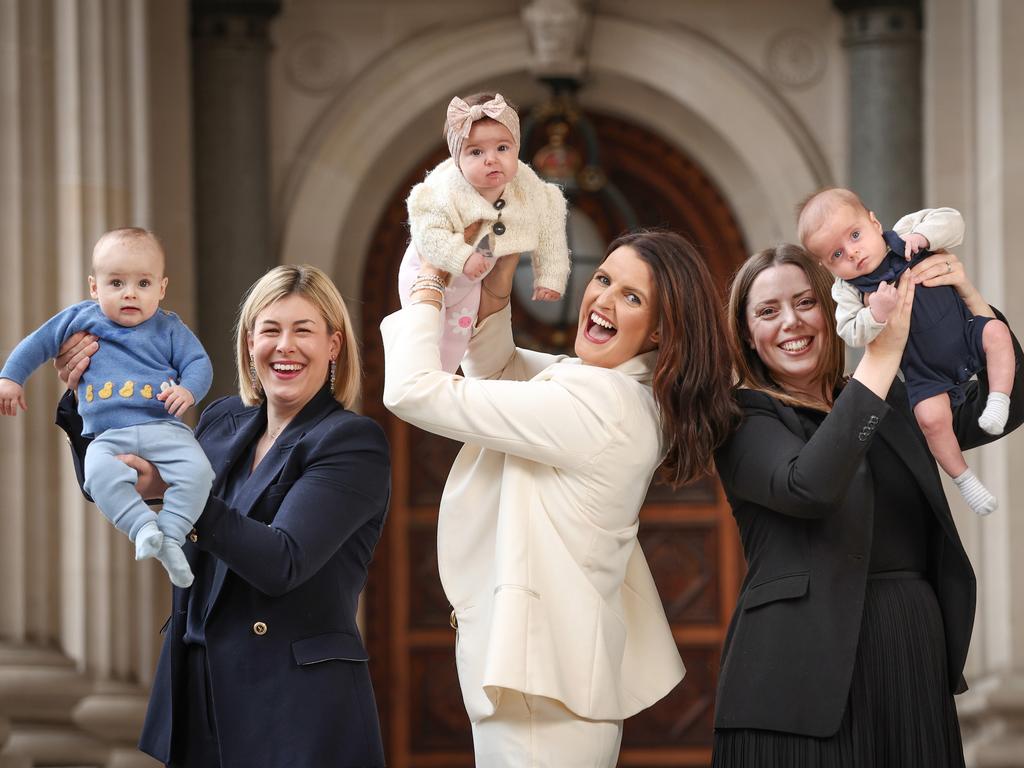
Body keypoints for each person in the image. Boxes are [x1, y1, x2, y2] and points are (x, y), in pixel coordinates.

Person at [382, 229, 739, 767]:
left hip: (541, 697)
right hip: (546, 689)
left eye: (632, 297)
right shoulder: (611, 389)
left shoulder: (604, 403)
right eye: (603, 279)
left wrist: (429, 284)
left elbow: (413, 391)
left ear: (662, 330)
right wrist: (497, 295)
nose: (603, 300)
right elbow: (501, 374)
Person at [54, 265, 390, 768]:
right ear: (249, 342)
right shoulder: (222, 419)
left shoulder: (349, 442)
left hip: (296, 711)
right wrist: (88, 396)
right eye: (270, 330)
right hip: (199, 693)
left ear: (334, 345)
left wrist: (179, 492)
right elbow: (112, 484)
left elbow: (283, 561)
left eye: (304, 331)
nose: (285, 346)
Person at [711, 243, 1024, 767]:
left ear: (834, 309)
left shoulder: (897, 402)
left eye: (806, 302)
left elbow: (1010, 401)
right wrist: (880, 355)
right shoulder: (741, 419)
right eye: (767, 311)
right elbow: (809, 485)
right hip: (794, 684)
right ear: (747, 334)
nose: (791, 321)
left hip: (908, 656)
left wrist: (969, 302)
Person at [0, 227, 213, 587]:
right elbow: (37, 344)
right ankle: (143, 527)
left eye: (143, 284)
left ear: (161, 288)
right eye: (116, 283)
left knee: (199, 472)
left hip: (164, 428)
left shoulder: (170, 328)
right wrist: (11, 378)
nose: (130, 293)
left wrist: (189, 391)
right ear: (94, 287)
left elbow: (199, 364)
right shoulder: (80, 318)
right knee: (97, 475)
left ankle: (172, 534)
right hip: (108, 436)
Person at [799, 188, 1015, 515]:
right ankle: (964, 479)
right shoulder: (847, 291)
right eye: (837, 255)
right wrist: (875, 314)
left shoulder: (905, 234)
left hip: (965, 333)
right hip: (924, 371)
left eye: (855, 235)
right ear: (826, 265)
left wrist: (924, 236)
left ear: (874, 222)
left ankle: (999, 400)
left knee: (997, 332)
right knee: (930, 419)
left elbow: (953, 222)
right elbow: (850, 330)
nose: (853, 253)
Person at [397, 91, 570, 372]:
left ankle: (441, 383)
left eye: (503, 148)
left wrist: (550, 276)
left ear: (517, 148)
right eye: (476, 152)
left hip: (474, 283)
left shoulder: (527, 185)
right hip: (427, 273)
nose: (491, 159)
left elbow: (549, 223)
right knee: (426, 334)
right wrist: (462, 257)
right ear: (457, 159)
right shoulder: (444, 187)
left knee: (457, 339)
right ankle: (417, 376)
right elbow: (428, 232)